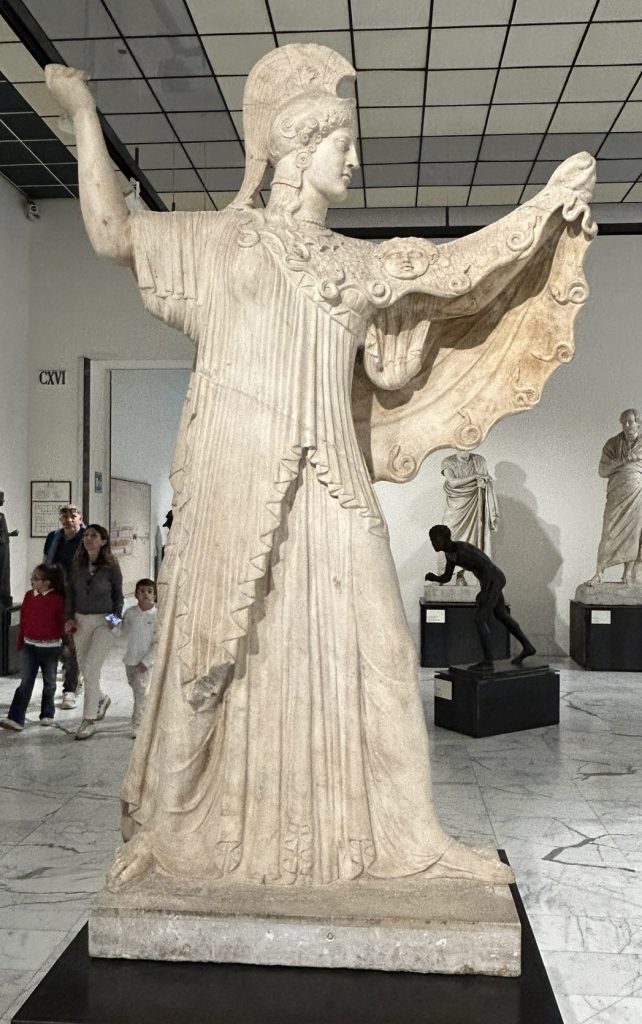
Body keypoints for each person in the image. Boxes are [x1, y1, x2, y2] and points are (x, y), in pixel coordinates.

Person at [45, 47, 595, 892]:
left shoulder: (355, 267)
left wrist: (547, 211)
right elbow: (112, 231)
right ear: (301, 146)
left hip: (334, 473)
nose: (356, 160)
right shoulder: (218, 242)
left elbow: (458, 269)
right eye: (345, 142)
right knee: (205, 660)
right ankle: (173, 831)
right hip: (232, 466)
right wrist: (83, 115)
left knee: (380, 647)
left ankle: (411, 838)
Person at [426, 524, 536, 672]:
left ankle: (488, 661)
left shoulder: (462, 550)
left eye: (435, 539)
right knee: (501, 615)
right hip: (490, 580)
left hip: (494, 579)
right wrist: (435, 577)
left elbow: (487, 566)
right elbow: (447, 576)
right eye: (431, 540)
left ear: (446, 538)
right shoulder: (450, 553)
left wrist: (485, 591)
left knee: (480, 619)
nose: (433, 543)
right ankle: (528, 647)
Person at [65, 525, 123, 740]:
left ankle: (88, 720)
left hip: (104, 622)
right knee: (85, 670)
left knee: (91, 668)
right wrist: (69, 618)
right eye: (86, 535)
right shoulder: (77, 564)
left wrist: (114, 620)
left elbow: (119, 597)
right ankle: (101, 698)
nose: (88, 538)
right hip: (80, 621)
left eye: (93, 536)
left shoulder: (111, 566)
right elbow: (70, 593)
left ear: (103, 541)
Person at [1, 563, 65, 731]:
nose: (32, 581)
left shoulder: (58, 600)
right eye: (32, 577)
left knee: (49, 682)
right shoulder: (29, 596)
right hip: (30, 647)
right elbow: (24, 620)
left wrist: (66, 640)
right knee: (25, 683)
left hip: (51, 648)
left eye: (36, 578)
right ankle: (15, 718)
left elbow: (63, 622)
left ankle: (47, 713)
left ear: (48, 582)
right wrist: (20, 640)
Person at [588, 409, 642, 586]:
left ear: (638, 422)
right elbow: (603, 470)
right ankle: (599, 573)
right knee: (608, 531)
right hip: (617, 493)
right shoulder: (612, 444)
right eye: (624, 422)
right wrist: (625, 460)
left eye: (630, 422)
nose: (627, 425)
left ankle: (627, 574)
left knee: (633, 533)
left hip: (636, 494)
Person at [44, 504, 85, 708]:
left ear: (80, 517)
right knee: (56, 642)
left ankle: (69, 689)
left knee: (72, 643)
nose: (69, 520)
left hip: (80, 598)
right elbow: (46, 563)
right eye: (65, 516)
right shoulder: (54, 538)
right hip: (56, 594)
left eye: (73, 516)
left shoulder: (88, 537)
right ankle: (74, 672)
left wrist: (113, 619)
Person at [439, 452, 498, 585]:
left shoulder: (479, 460)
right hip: (456, 507)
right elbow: (453, 483)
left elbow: (485, 481)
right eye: (462, 445)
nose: (465, 449)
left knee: (470, 541)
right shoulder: (448, 461)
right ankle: (442, 575)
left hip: (474, 503)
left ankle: (460, 576)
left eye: (469, 445)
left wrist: (484, 484)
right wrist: (476, 476)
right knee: (447, 539)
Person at [121, 578, 157, 739]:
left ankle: (138, 725)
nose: (145, 595)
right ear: (136, 594)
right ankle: (148, 716)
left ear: (155, 596)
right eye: (142, 591)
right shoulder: (130, 613)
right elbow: (121, 632)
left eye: (149, 592)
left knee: (141, 692)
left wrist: (147, 661)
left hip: (146, 662)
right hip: (130, 659)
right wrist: (110, 620)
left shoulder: (158, 616)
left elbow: (159, 642)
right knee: (137, 690)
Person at [0, 491, 19, 608]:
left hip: (4, 545)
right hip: (2, 545)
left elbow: (2, 531)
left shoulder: (1, 515)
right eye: (2, 498)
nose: (3, 500)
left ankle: (4, 596)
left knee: (4, 572)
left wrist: (10, 534)